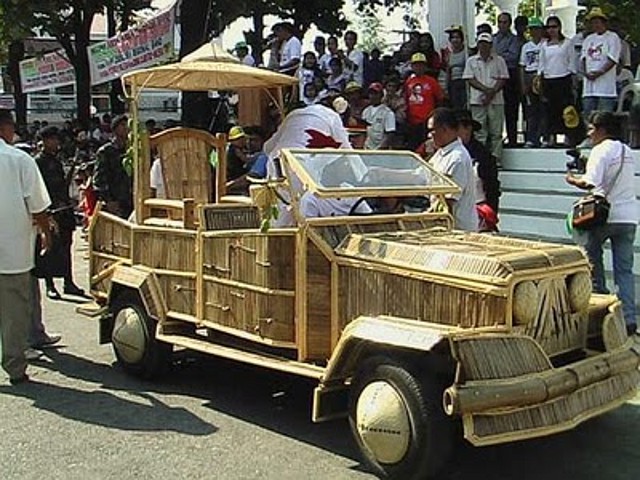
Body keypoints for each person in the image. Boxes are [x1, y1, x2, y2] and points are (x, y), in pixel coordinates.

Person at [565, 112, 638, 336]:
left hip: (602, 217)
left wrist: (572, 179)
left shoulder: (600, 150)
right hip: (628, 217)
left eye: (591, 129)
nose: (589, 133)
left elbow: (591, 182)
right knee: (624, 271)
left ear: (601, 129)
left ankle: (601, 314)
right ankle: (628, 318)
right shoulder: (627, 151)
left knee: (592, 265)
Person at [0, 109, 52, 385]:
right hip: (11, 250)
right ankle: (15, 368)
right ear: (6, 129)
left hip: (11, 249)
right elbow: (38, 205)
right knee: (14, 312)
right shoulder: (19, 159)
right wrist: (46, 233)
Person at [33, 126, 84, 299]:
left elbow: (63, 185)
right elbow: (39, 189)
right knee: (49, 247)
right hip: (50, 209)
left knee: (66, 245)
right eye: (52, 139)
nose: (56, 142)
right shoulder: (38, 162)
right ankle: (50, 285)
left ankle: (68, 282)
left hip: (63, 208)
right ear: (44, 141)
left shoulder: (56, 160)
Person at [427, 108, 478, 231]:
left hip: (458, 229)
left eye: (432, 130)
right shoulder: (441, 154)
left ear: (444, 129)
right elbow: (421, 176)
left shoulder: (457, 158)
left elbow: (447, 204)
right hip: (443, 224)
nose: (429, 135)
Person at [463, 33, 509, 162]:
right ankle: (481, 158)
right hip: (478, 100)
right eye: (481, 43)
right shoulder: (471, 61)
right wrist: (486, 90)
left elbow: (503, 78)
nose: (483, 46)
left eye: (486, 43)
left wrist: (491, 92)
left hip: (496, 100)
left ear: (491, 45)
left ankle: (496, 159)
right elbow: (469, 79)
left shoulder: (499, 60)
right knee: (479, 132)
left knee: (496, 132)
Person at [455, 109, 501, 231]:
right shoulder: (447, 152)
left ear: (468, 129)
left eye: (457, 128)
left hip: (478, 211)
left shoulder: (483, 155)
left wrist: (490, 215)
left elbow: (492, 188)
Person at [539, 16, 578, 148]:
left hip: (564, 79)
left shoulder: (567, 43)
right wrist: (540, 82)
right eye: (549, 27)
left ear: (559, 27)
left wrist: (573, 82)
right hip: (549, 80)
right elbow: (541, 65)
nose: (551, 30)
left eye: (554, 27)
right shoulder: (544, 45)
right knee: (550, 111)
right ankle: (551, 137)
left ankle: (568, 137)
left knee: (567, 110)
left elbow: (572, 63)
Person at [581, 7, 621, 118]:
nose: (595, 25)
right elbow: (583, 58)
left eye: (597, 22)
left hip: (606, 88)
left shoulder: (612, 37)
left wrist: (600, 72)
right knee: (588, 117)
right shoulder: (588, 39)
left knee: (604, 118)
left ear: (603, 22)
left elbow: (613, 59)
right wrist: (586, 73)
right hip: (589, 88)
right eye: (593, 22)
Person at [93, 114, 132, 218]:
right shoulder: (106, 151)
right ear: (115, 129)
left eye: (127, 125)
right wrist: (108, 200)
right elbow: (99, 180)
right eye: (122, 125)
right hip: (115, 203)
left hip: (131, 200)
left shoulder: (132, 151)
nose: (126, 128)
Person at [404, 52, 445, 151]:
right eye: (416, 65)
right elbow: (406, 99)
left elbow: (440, 99)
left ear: (425, 66)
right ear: (412, 66)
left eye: (421, 64)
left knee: (427, 146)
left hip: (427, 121)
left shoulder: (431, 81)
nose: (419, 67)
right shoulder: (408, 81)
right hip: (412, 121)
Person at [494, 12, 522, 147]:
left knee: (511, 110)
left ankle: (513, 139)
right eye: (500, 22)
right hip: (494, 76)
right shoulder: (493, 39)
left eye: (505, 22)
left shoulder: (515, 40)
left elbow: (513, 57)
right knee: (495, 110)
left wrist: (497, 57)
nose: (502, 25)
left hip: (511, 76)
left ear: (510, 24)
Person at [519, 17, 546, 148]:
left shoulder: (546, 44)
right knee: (530, 111)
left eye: (537, 29)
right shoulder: (526, 46)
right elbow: (522, 66)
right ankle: (531, 137)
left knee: (545, 109)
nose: (534, 31)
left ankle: (545, 137)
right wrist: (523, 84)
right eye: (532, 29)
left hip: (543, 77)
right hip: (530, 77)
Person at [362, 83, 396, 150]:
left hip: (381, 150)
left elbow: (390, 135)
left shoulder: (388, 113)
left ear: (381, 95)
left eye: (376, 94)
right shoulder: (366, 111)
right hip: (367, 148)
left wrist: (380, 149)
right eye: (371, 94)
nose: (373, 96)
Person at [443, 25, 468, 110]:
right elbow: (448, 71)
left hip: (464, 82)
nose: (455, 40)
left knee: (464, 105)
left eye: (457, 37)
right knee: (455, 107)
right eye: (453, 38)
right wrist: (446, 88)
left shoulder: (466, 52)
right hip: (453, 83)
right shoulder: (449, 54)